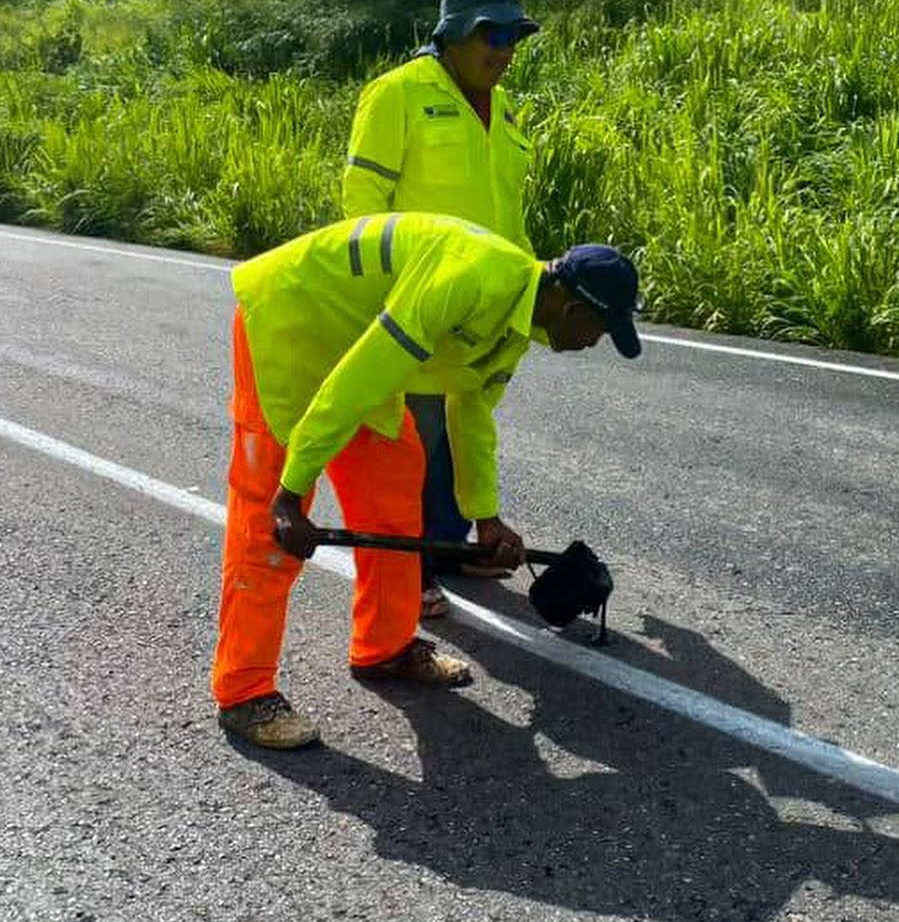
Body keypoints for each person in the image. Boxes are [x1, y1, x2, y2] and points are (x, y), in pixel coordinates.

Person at [214, 211, 642, 751]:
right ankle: (244, 692)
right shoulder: (469, 279)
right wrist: (291, 492)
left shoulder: (517, 320)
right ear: (572, 308)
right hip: (293, 322)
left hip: (356, 340)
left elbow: (472, 413)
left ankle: (383, 648)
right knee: (269, 524)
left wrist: (486, 518)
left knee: (395, 485)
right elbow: (358, 379)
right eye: (600, 330)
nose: (594, 342)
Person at [342, 0, 539, 618]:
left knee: (461, 433)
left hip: (482, 311)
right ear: (452, 33)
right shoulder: (398, 93)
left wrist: (524, 288)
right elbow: (362, 200)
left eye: (513, 36)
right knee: (414, 444)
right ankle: (409, 570)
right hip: (417, 302)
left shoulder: (503, 110)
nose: (504, 50)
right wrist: (388, 290)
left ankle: (448, 547)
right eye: (491, 34)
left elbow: (507, 214)